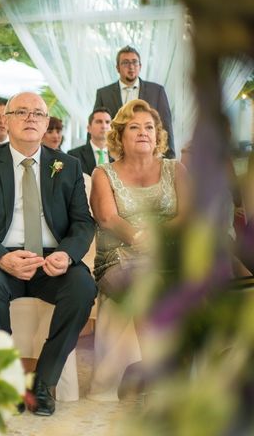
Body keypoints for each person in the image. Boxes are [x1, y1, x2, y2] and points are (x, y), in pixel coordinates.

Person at [0, 91, 96, 416]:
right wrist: (0, 257)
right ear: (6, 120)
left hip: (51, 260)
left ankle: (44, 381)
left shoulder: (68, 165)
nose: (31, 118)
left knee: (82, 287)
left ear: (47, 122)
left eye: (38, 113)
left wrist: (67, 254)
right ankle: (6, 378)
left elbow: (83, 223)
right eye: (22, 112)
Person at [88, 99, 188, 399]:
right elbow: (107, 217)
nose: (144, 132)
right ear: (119, 135)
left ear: (158, 134)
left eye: (149, 127)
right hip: (119, 257)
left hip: (170, 253)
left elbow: (187, 215)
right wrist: (138, 236)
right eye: (134, 127)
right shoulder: (103, 173)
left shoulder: (175, 169)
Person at [94, 45, 175, 157]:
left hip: (150, 156)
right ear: (117, 67)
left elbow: (166, 127)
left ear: (140, 66)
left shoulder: (157, 91)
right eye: (126, 63)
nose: (131, 66)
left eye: (134, 62)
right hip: (114, 158)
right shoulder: (104, 93)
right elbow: (95, 126)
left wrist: (170, 159)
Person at [68, 107, 114, 175]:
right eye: (99, 122)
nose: (104, 126)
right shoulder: (74, 156)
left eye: (107, 122)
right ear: (89, 128)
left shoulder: (120, 155)